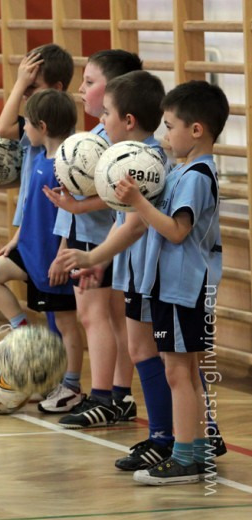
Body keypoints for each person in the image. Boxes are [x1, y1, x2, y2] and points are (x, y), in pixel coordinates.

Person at [57, 71, 174, 459]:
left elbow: (136, 225)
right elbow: (122, 220)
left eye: (106, 113)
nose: (101, 121)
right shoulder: (126, 157)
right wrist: (103, 261)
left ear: (128, 120)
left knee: (163, 357)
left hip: (153, 274)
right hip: (136, 271)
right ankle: (169, 436)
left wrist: (93, 256)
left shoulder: (145, 163)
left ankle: (168, 438)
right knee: (146, 352)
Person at [122, 81, 229, 485]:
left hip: (184, 290)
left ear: (196, 130)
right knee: (181, 370)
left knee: (178, 373)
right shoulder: (183, 170)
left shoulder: (198, 176)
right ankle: (196, 450)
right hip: (172, 288)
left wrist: (138, 202)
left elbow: (177, 231)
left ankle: (184, 457)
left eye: (170, 127)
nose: (165, 135)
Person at [43, 50, 141, 426]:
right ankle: (120, 395)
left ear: (114, 89)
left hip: (100, 239)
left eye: (89, 82)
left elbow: (119, 194)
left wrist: (79, 209)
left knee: (93, 317)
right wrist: (64, 242)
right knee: (113, 319)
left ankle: (102, 397)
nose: (80, 89)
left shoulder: (111, 140)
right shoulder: (98, 135)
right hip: (97, 239)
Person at [0, 44, 85, 413]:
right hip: (29, 248)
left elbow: (69, 215)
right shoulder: (41, 156)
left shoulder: (66, 162)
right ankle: (23, 333)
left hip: (51, 255)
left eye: (27, 123)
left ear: (41, 126)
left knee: (64, 324)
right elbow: (32, 206)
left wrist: (62, 254)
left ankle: (71, 385)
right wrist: (16, 239)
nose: (22, 127)